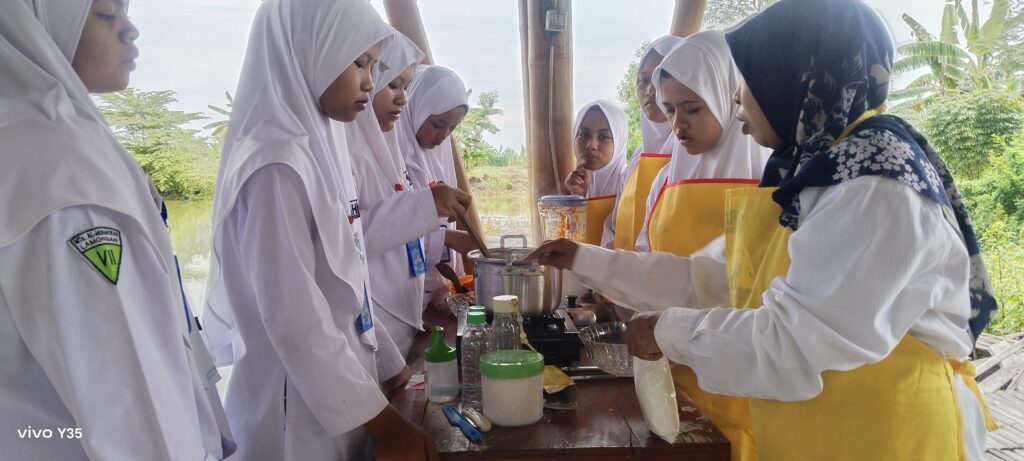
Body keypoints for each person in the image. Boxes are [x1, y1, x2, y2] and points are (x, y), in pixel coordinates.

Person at [530, 1, 998, 459]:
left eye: (747, 82)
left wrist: (666, 330)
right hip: (822, 433)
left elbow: (792, 344)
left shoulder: (873, 183)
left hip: (890, 439)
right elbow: (711, 280)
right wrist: (585, 259)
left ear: (794, 78)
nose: (736, 100)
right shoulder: (815, 172)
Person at [201, 0, 439, 459]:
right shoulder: (273, 166)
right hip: (294, 420)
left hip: (340, 403)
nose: (370, 81)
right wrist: (385, 423)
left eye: (374, 66)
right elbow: (294, 317)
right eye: (359, 63)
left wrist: (389, 364)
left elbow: (346, 285)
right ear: (310, 49)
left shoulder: (322, 151)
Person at [0, 0, 235, 459]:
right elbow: (140, 421)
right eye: (107, 14)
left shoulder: (25, 144)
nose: (130, 30)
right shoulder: (62, 171)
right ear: (37, 22)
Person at [628, 30, 768, 461]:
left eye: (692, 109)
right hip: (677, 375)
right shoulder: (666, 180)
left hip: (749, 377)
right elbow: (648, 259)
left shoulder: (771, 176)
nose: (677, 124)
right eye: (669, 110)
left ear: (728, 97)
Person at [345, 32, 472, 369]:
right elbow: (352, 240)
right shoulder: (350, 155)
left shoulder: (389, 151)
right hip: (375, 318)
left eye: (405, 87)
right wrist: (432, 213)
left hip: (404, 314)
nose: (402, 99)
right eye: (393, 85)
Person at [396, 65, 478, 309]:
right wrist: (449, 238)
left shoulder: (439, 156)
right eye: (437, 124)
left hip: (434, 288)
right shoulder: (392, 155)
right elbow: (388, 227)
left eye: (452, 128)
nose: (443, 135)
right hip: (398, 293)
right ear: (417, 109)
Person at [604, 35, 684, 250]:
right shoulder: (637, 159)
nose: (650, 91)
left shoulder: (694, 155)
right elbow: (613, 228)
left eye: (660, 79)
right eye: (644, 80)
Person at [564, 100, 629, 246]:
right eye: (584, 134)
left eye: (603, 137)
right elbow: (571, 245)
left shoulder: (629, 184)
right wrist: (578, 197)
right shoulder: (576, 184)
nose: (591, 145)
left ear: (619, 140)